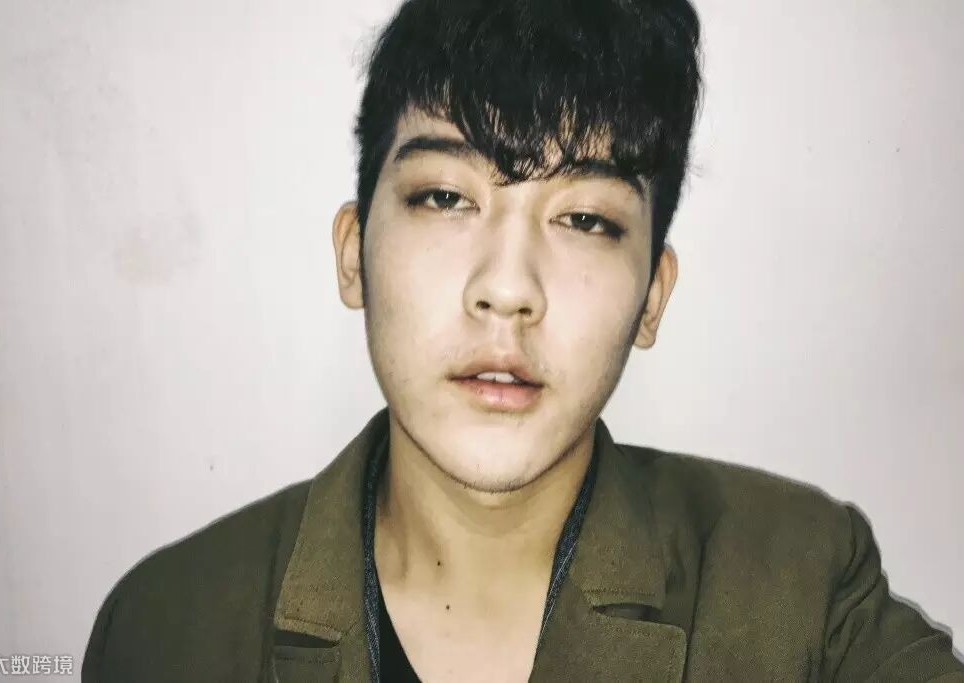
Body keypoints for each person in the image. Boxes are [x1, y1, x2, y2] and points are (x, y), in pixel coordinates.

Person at [82, 0, 964, 680]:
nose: (508, 288)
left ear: (651, 299)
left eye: (585, 218)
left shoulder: (804, 592)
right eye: (444, 197)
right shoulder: (167, 627)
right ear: (353, 254)